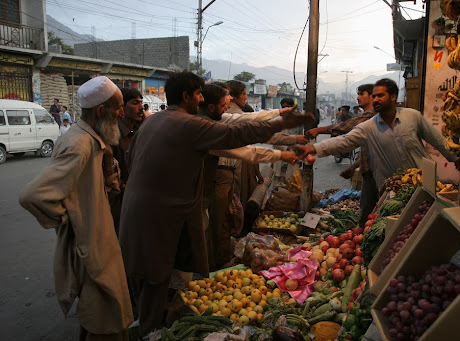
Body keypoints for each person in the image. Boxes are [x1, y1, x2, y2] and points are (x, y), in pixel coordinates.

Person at [118, 71, 312, 338]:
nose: (200, 99)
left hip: (142, 212)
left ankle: (155, 323)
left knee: (157, 278)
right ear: (186, 96)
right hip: (157, 217)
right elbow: (240, 134)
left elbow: (131, 160)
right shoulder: (188, 124)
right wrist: (281, 123)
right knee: (155, 282)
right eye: (197, 94)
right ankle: (151, 332)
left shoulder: (153, 121)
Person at [19, 76, 133, 340]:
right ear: (100, 110)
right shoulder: (80, 144)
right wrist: (71, 219)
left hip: (98, 242)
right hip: (91, 247)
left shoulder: (92, 139)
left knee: (99, 315)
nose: (120, 112)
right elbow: (33, 196)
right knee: (108, 319)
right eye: (117, 107)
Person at [295, 78, 458, 194]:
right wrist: (312, 148)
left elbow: (437, 140)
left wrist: (455, 158)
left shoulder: (413, 117)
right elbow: (343, 142)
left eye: (381, 96)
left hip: (425, 186)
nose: (376, 99)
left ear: (393, 97)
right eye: (374, 96)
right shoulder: (368, 127)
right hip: (393, 191)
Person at [198, 84, 300, 271]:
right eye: (225, 100)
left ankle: (217, 258)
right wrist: (281, 152)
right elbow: (245, 147)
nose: (228, 102)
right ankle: (210, 264)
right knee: (214, 221)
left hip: (223, 174)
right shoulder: (210, 124)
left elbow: (252, 121)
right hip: (217, 175)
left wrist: (279, 117)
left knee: (223, 218)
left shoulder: (223, 116)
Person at [306, 84, 378, 227]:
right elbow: (369, 148)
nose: (358, 97)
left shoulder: (372, 115)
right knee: (369, 209)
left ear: (372, 96)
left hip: (375, 173)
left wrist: (320, 130)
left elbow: (348, 127)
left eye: (361, 94)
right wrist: (354, 167)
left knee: (367, 213)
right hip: (370, 171)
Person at [109, 88, 145, 235]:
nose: (141, 107)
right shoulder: (112, 134)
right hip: (120, 202)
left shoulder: (140, 130)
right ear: (122, 108)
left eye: (141, 103)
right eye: (135, 103)